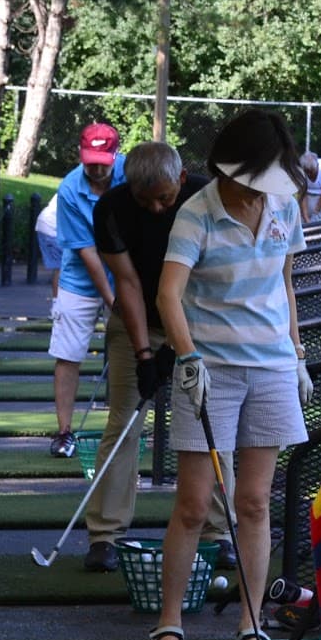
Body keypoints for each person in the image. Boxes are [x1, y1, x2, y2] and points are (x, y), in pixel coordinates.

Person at [147, 110, 312, 640]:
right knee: (195, 504)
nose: (258, 189)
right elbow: (168, 294)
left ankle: (250, 622)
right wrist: (188, 356)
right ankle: (169, 622)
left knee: (255, 501)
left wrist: (298, 355)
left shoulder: (284, 204)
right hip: (210, 370)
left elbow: (285, 284)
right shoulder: (198, 212)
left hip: (272, 368)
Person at [84, 142, 233, 574]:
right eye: (143, 199)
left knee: (210, 420)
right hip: (137, 321)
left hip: (199, 319)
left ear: (181, 179)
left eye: (164, 199)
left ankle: (219, 532)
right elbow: (127, 283)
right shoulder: (111, 209)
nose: (154, 208)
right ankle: (105, 535)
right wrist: (145, 355)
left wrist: (178, 345)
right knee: (124, 422)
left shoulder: (208, 198)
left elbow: (213, 277)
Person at [47, 122, 126, 458]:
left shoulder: (131, 175)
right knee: (68, 354)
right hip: (79, 279)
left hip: (126, 274)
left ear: (115, 154)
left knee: (129, 353)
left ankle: (123, 431)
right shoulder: (69, 189)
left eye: (102, 163)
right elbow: (88, 253)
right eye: (90, 162)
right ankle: (64, 432)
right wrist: (111, 301)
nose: (96, 169)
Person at [33, 192, 61, 296]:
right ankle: (58, 301)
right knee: (63, 268)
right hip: (52, 228)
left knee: (61, 268)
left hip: (47, 225)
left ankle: (58, 300)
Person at [298, 150, 321, 221]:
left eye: (311, 172)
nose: (309, 175)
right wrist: (306, 218)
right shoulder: (300, 172)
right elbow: (302, 195)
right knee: (305, 223)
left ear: (317, 166)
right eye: (306, 172)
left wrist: (315, 213)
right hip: (307, 198)